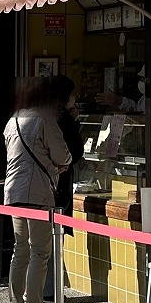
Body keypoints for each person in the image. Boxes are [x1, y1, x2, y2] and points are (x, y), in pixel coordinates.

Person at [3, 76, 71, 303]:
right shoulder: (45, 119)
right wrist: (58, 166)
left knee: (20, 251)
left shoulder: (13, 120)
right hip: (37, 192)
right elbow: (63, 155)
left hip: (13, 192)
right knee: (39, 252)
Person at [50, 76, 84, 227]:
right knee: (57, 227)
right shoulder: (64, 119)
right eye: (72, 95)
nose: (74, 99)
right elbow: (75, 152)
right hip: (59, 183)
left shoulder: (47, 116)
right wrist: (75, 124)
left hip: (45, 183)